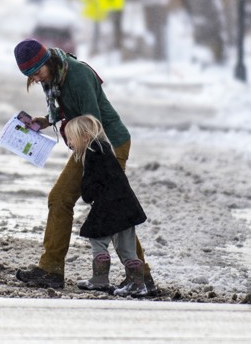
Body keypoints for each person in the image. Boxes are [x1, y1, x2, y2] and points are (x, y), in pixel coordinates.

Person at [12, 38, 155, 294]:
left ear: (48, 62)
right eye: (30, 76)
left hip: (105, 144)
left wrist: (71, 133)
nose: (35, 79)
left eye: (37, 73)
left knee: (113, 207)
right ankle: (51, 269)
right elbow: (70, 110)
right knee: (64, 199)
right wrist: (45, 121)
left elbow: (92, 123)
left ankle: (141, 276)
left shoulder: (77, 75)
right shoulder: (56, 79)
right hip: (87, 144)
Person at [64, 114, 148, 297]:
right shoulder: (105, 149)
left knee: (97, 238)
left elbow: (91, 183)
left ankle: (100, 279)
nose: (69, 143)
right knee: (127, 247)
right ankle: (137, 284)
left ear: (85, 137)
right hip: (126, 205)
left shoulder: (93, 153)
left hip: (107, 206)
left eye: (71, 138)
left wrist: (86, 194)